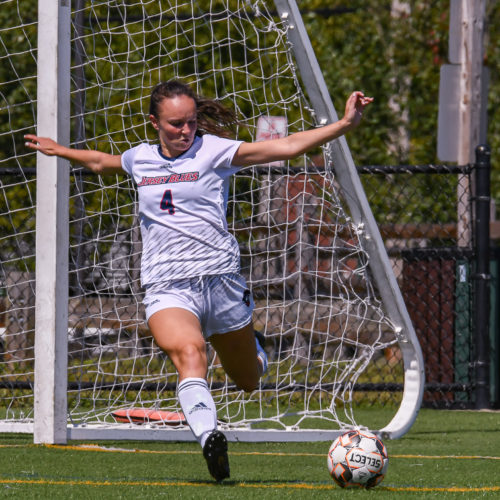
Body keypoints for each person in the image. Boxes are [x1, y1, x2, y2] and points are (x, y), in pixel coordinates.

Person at [25, 80, 372, 482]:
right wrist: (60, 150)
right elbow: (102, 162)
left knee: (248, 380)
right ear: (154, 122)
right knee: (191, 355)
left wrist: (344, 124)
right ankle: (211, 439)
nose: (185, 131)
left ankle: (254, 350)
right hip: (167, 286)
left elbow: (289, 146)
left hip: (222, 284)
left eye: (190, 122)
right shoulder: (140, 159)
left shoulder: (214, 151)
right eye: (175, 124)